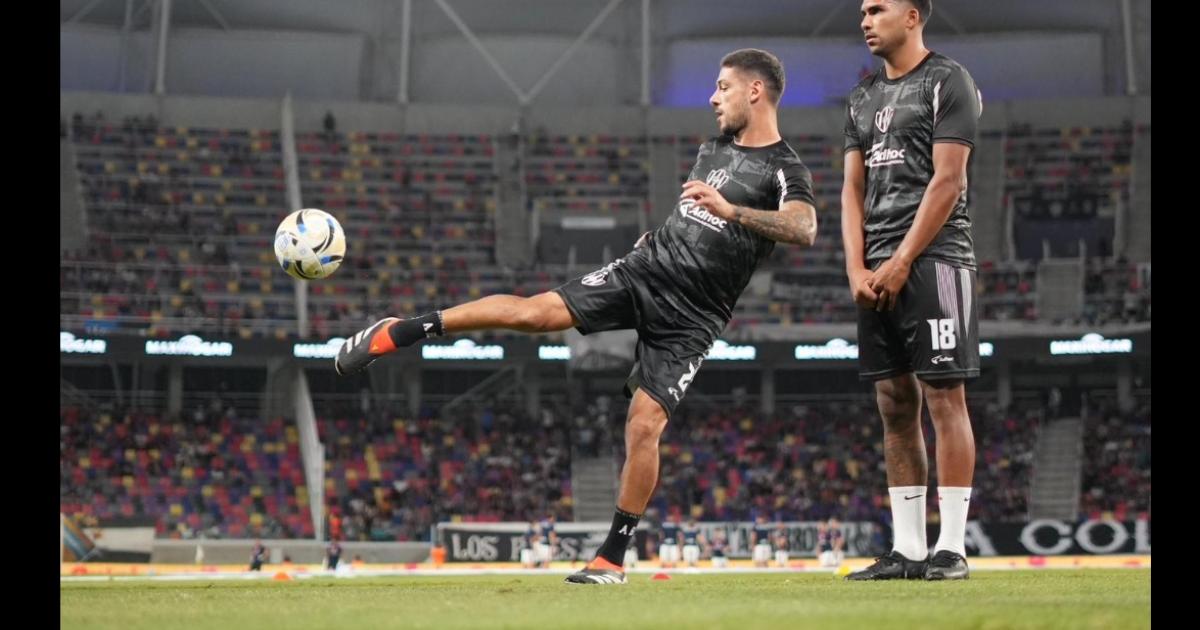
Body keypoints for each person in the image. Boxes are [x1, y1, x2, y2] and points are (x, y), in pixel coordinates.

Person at [334, 48, 817, 586]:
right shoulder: (713, 148)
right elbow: (692, 218)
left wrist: (731, 211)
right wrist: (658, 236)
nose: (712, 97)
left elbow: (803, 227)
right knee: (534, 314)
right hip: (647, 270)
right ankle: (401, 330)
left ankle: (611, 559)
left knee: (644, 425)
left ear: (755, 91)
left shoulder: (785, 167)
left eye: (723, 87)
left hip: (694, 317)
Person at [841, 0, 981, 581]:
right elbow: (851, 190)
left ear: (913, 16)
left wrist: (903, 260)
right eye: (862, 11)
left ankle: (951, 548)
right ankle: (908, 550)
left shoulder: (948, 80)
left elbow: (949, 181)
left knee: (945, 397)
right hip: (876, 267)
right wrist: (856, 267)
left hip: (937, 260)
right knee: (894, 404)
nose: (865, 19)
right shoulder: (861, 97)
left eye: (878, 8)